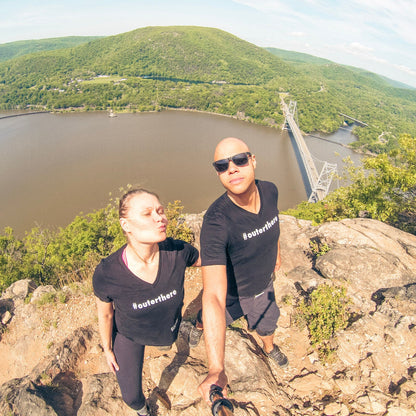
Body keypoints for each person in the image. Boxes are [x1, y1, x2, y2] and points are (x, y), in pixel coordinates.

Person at [196, 137, 288, 405]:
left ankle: (269, 348)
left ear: (253, 160)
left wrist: (277, 253)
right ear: (218, 173)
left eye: (239, 160)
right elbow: (213, 294)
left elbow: (274, 224)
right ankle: (197, 326)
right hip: (231, 290)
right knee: (211, 315)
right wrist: (216, 369)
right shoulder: (215, 222)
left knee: (267, 323)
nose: (232, 168)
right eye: (222, 165)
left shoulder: (270, 190)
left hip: (262, 286)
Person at [93, 188, 200, 416]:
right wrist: (107, 348)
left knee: (166, 343)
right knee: (131, 396)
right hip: (129, 334)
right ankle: (144, 411)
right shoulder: (108, 272)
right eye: (147, 213)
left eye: (160, 211)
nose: (160, 218)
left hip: (165, 330)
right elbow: (105, 314)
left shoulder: (178, 252)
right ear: (126, 225)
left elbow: (211, 261)